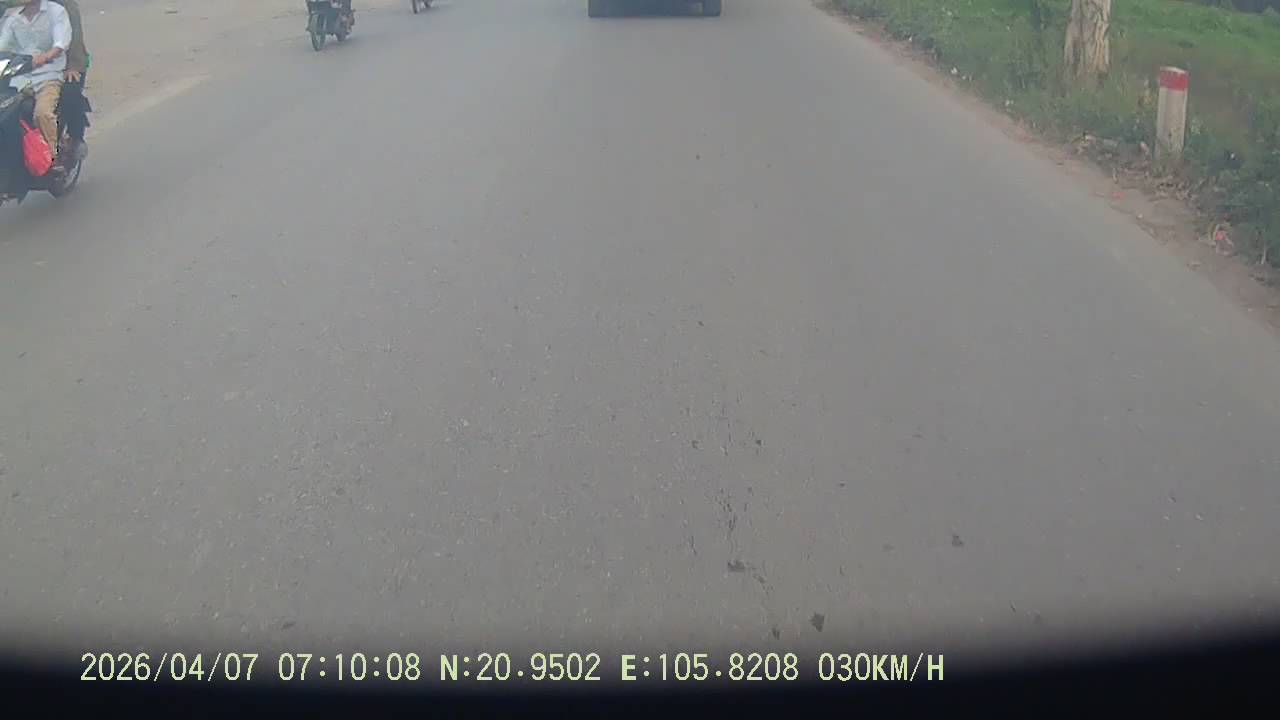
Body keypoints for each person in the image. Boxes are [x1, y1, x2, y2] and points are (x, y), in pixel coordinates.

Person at [0, 0, 72, 165]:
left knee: (42, 113)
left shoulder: (56, 12)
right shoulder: (13, 17)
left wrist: (47, 56)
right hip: (19, 78)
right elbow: (3, 45)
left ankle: (51, 158)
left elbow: (61, 43)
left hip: (48, 75)